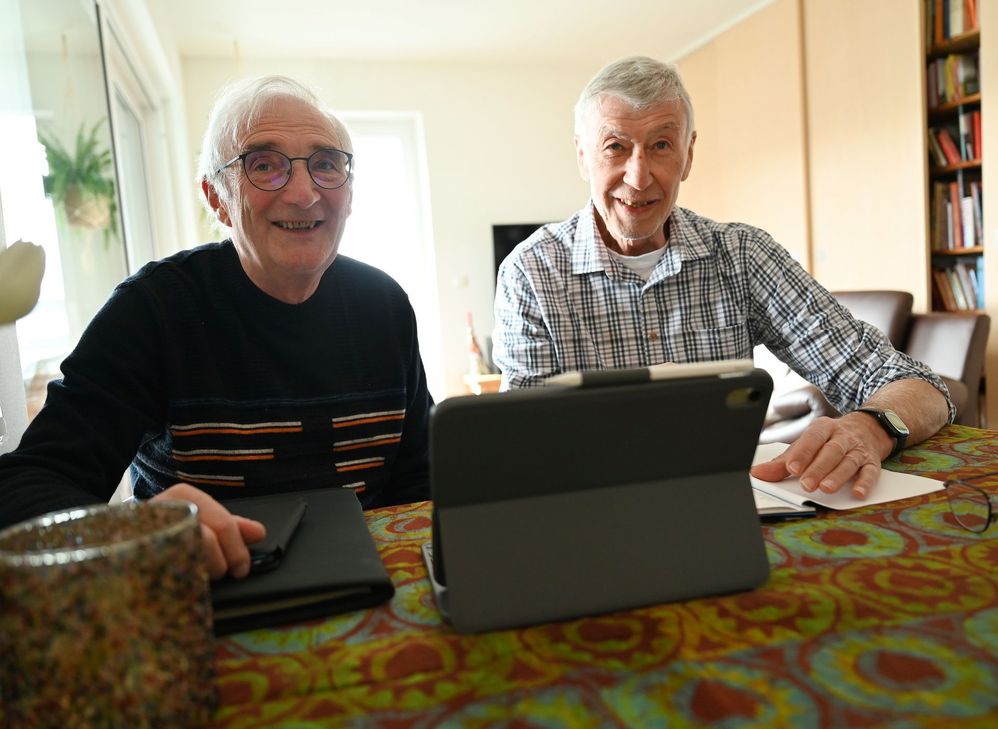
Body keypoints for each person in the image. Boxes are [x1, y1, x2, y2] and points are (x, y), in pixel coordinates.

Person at [0, 76, 432, 579]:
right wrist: (137, 530)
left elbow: (421, 479)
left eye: (326, 164)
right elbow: (26, 483)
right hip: (207, 591)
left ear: (350, 193)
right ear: (217, 198)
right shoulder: (152, 310)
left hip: (370, 584)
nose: (303, 192)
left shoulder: (385, 305)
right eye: (264, 165)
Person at [493, 56, 952, 501]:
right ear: (582, 156)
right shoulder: (530, 273)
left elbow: (918, 386)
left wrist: (869, 427)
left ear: (688, 156)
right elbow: (523, 450)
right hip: (597, 511)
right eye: (615, 146)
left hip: (732, 508)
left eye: (661, 145)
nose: (638, 176)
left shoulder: (741, 255)